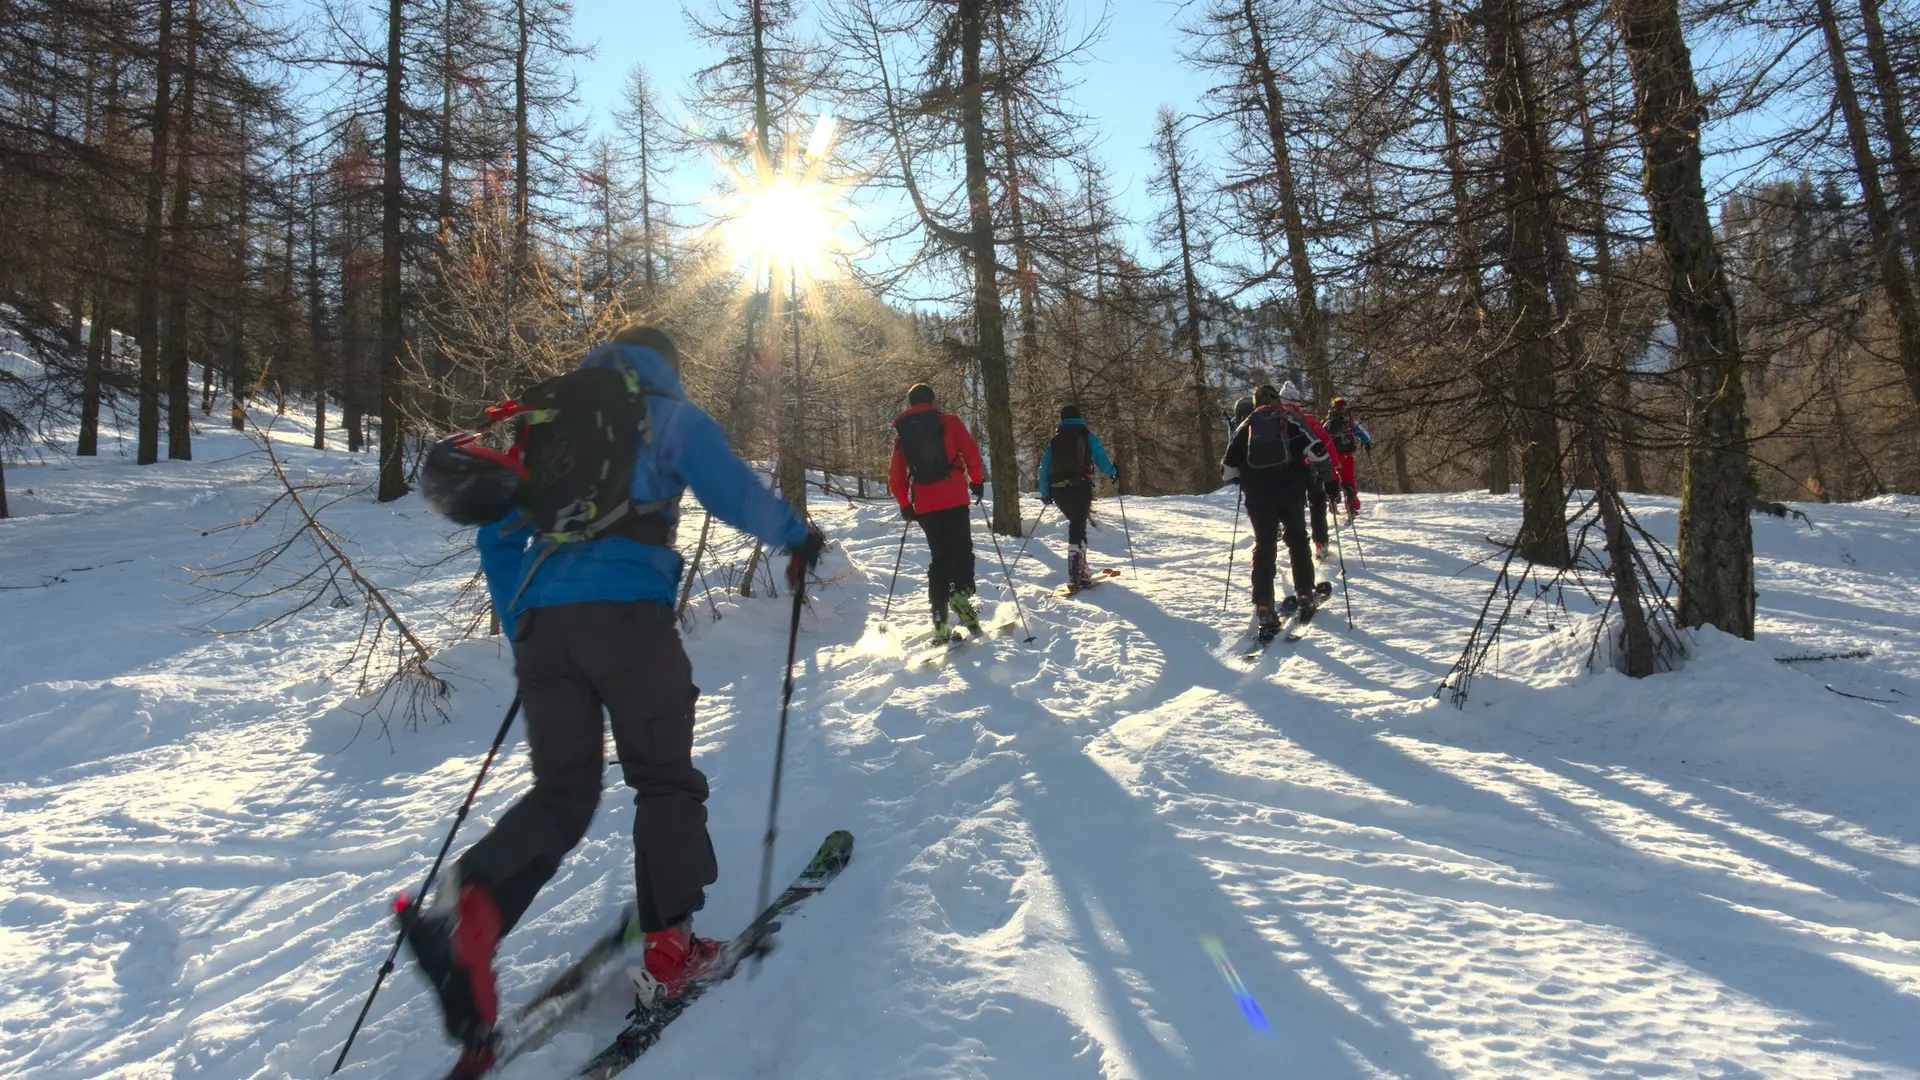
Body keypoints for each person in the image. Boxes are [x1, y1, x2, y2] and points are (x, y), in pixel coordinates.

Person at [408, 325, 826, 1077]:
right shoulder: (662, 410)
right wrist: (798, 536)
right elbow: (730, 491)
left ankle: (471, 906)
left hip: (544, 624)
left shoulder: (547, 423)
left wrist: (527, 625)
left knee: (563, 794)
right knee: (662, 776)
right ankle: (671, 946)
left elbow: (499, 535)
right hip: (627, 616)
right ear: (666, 364)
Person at [1222, 383, 1335, 640]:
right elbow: (1317, 450)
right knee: (1296, 539)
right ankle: (1305, 593)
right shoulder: (1290, 421)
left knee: (1264, 545)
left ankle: (1263, 605)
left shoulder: (1246, 426)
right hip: (1290, 491)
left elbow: (1227, 469)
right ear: (1277, 400)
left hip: (1258, 497)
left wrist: (1243, 479)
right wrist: (1329, 480)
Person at [888, 383, 987, 641]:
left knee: (940, 558)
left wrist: (905, 505)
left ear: (910, 403)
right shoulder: (950, 422)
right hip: (953, 496)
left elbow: (895, 477)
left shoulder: (903, 436)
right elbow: (972, 453)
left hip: (925, 504)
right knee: (961, 550)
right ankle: (961, 595)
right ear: (932, 400)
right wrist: (976, 481)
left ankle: (940, 619)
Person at [1036, 404, 1118, 590]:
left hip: (1058, 491)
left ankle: (1081, 568)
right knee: (1078, 527)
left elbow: (1044, 468)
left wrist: (1045, 493)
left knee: (1076, 524)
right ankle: (1077, 573)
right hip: (1080, 487)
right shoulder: (1087, 436)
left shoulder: (1054, 441)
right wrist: (1114, 471)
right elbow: (1103, 461)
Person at [1275, 381, 1336, 562]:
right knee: (1317, 505)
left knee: (1294, 508)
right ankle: (1321, 542)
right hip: (1313, 469)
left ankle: (1296, 544)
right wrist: (1334, 469)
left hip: (1290, 472)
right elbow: (1327, 445)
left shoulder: (1277, 421)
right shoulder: (1308, 420)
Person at [1320, 396, 1371, 517]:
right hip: (1346, 455)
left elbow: (1318, 437)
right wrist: (1366, 443)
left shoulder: (1326, 422)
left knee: (1332, 481)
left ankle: (1333, 502)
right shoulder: (1349, 421)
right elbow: (1366, 436)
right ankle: (1351, 506)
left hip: (1331, 456)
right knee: (1348, 480)